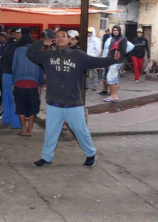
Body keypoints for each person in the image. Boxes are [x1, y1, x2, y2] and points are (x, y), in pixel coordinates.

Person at [27, 30, 121, 167]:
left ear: (69, 40)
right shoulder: (47, 55)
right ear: (53, 40)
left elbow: (97, 61)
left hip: (73, 102)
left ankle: (91, 155)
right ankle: (46, 157)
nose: (60, 39)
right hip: (54, 102)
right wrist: (41, 43)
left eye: (63, 36)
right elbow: (29, 53)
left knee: (80, 131)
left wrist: (113, 59)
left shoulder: (78, 55)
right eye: (57, 37)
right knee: (50, 132)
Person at [1, 28, 33, 129]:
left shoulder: (7, 47)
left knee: (6, 98)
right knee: (17, 100)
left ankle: (6, 119)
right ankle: (16, 123)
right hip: (16, 76)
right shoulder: (20, 48)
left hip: (5, 75)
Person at [12, 38, 43, 136]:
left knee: (21, 106)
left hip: (19, 83)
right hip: (33, 84)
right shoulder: (38, 52)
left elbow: (14, 67)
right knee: (32, 107)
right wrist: (39, 83)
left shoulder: (17, 50)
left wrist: (14, 81)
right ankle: (30, 130)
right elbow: (41, 69)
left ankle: (23, 130)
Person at [105, 25, 127, 102]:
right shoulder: (113, 38)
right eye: (114, 30)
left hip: (116, 61)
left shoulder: (123, 39)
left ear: (119, 31)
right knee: (114, 79)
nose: (115, 31)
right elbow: (110, 50)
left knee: (110, 78)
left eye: (117, 30)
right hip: (111, 61)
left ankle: (113, 95)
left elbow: (124, 51)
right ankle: (114, 95)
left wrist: (119, 54)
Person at [86, 27, 102, 92]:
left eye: (90, 32)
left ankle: (95, 86)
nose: (88, 33)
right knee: (87, 73)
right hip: (86, 58)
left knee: (94, 73)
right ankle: (86, 86)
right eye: (88, 32)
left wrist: (94, 57)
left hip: (93, 58)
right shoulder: (87, 39)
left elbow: (98, 50)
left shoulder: (96, 40)